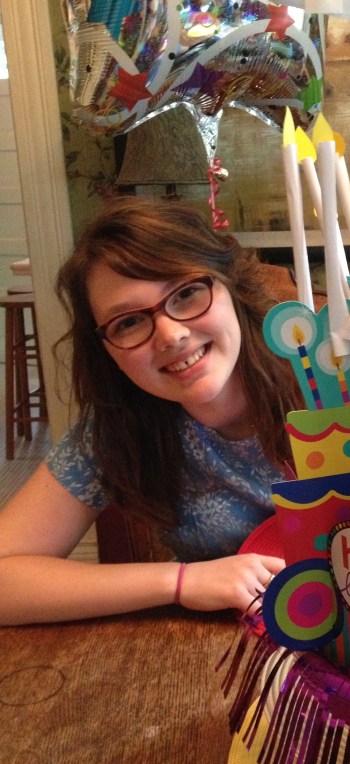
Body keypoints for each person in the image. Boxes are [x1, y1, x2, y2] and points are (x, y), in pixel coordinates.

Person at [0, 196, 308, 626]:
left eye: (186, 293)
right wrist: (180, 582)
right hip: (228, 647)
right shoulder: (115, 427)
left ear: (231, 286)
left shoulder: (329, 379)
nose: (170, 335)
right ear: (106, 351)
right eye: (127, 322)